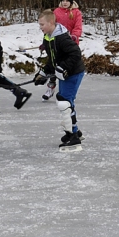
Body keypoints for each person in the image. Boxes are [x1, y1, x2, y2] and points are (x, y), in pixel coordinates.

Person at [37, 8, 86, 150]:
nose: (40, 28)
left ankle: (73, 137)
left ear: (51, 23)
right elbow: (53, 60)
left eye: (42, 24)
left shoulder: (62, 38)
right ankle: (74, 131)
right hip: (64, 73)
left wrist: (63, 68)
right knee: (65, 101)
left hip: (74, 72)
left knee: (64, 102)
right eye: (39, 25)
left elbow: (75, 53)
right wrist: (43, 74)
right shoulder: (48, 38)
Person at [43, 0, 84, 101]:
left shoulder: (76, 12)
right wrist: (47, 42)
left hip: (69, 43)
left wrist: (75, 36)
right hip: (56, 41)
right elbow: (52, 25)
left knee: (66, 66)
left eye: (67, 1)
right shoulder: (57, 11)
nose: (65, 3)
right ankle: (51, 87)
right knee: (54, 63)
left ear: (71, 2)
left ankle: (69, 91)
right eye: (63, 1)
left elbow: (78, 27)